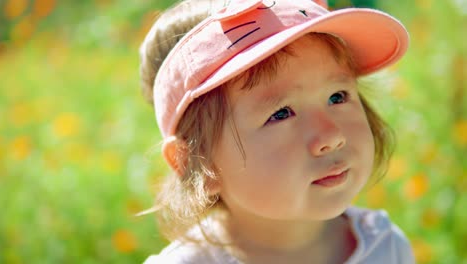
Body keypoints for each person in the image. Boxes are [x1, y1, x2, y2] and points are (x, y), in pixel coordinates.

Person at [139, 0, 415, 263]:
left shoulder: (386, 248)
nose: (331, 137)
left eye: (338, 96)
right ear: (195, 162)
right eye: (280, 114)